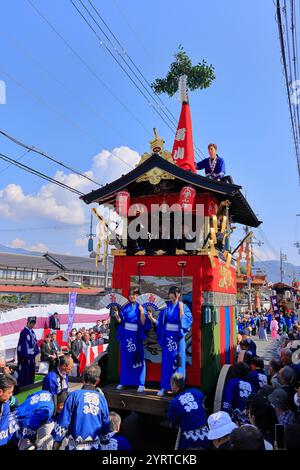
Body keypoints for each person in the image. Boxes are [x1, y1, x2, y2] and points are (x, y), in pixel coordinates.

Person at [52, 365, 110, 450]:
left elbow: (64, 421)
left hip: (75, 446)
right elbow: (105, 422)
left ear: (83, 379)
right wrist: (105, 441)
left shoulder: (74, 395)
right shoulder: (101, 398)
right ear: (97, 381)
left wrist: (57, 441)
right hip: (94, 446)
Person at [150, 286, 192, 397]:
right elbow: (160, 323)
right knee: (167, 363)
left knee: (178, 363)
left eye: (174, 293)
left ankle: (179, 388)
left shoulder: (184, 306)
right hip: (168, 337)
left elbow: (186, 321)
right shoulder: (165, 306)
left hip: (178, 339)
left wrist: (181, 308)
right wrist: (152, 319)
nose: (171, 295)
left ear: (178, 295)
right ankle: (164, 387)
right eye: (170, 293)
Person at [113, 288, 147, 393]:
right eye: (131, 295)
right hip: (126, 335)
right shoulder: (125, 308)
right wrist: (117, 316)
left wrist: (142, 312)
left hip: (136, 336)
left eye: (135, 295)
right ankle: (124, 381)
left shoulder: (141, 307)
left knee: (138, 359)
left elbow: (143, 323)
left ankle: (140, 383)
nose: (132, 297)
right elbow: (121, 322)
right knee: (125, 359)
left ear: (138, 296)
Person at [166, 373, 211, 449]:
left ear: (174, 384)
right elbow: (202, 401)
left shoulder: (174, 402)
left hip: (190, 440)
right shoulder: (196, 391)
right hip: (206, 434)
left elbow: (172, 423)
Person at [17, 317, 40, 386]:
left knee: (31, 372)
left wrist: (36, 349)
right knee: (25, 372)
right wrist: (25, 355)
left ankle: (30, 385)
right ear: (28, 323)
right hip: (26, 356)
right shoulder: (24, 332)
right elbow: (22, 345)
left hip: (31, 356)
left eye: (34, 324)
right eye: (32, 323)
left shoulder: (32, 332)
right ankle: (24, 386)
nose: (33, 325)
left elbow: (35, 342)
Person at [0, 374, 18, 447]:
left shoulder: (7, 401)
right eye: (9, 392)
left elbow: (15, 402)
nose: (11, 395)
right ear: (0, 392)